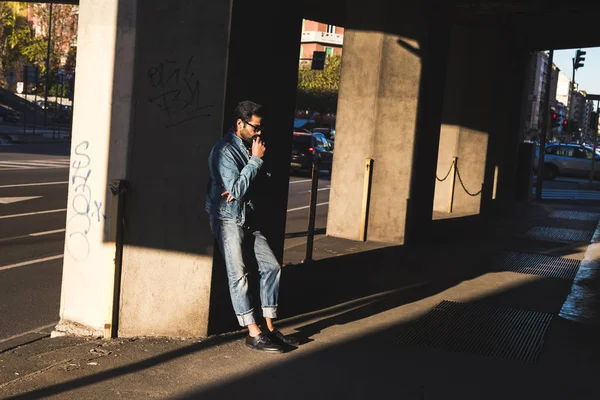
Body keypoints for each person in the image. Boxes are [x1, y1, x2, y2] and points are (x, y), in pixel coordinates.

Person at [205, 100, 299, 352]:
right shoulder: (224, 151)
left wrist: (253, 170)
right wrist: (254, 162)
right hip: (228, 218)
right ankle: (253, 331)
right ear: (239, 123)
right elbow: (236, 189)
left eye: (260, 127)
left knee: (271, 266)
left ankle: (269, 327)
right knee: (239, 275)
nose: (259, 132)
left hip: (248, 216)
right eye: (255, 127)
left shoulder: (251, 146)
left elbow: (252, 185)